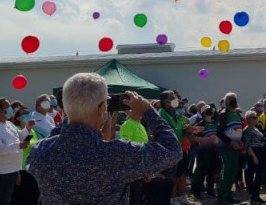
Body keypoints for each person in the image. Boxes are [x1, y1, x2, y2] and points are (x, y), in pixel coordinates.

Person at [28, 73, 183, 204]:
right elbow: (172, 151)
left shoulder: (40, 151)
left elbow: (55, 140)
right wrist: (149, 111)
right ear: (102, 108)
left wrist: (71, 113)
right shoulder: (116, 154)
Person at [0, 98, 34, 205]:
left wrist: (27, 128)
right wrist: (18, 145)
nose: (11, 109)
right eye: (8, 107)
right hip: (1, 173)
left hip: (11, 170)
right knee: (1, 201)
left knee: (8, 200)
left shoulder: (8, 124)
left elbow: (20, 136)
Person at [216, 92, 245, 205]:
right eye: (231, 99)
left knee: (233, 173)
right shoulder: (223, 114)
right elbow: (219, 132)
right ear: (226, 101)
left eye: (235, 99)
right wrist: (231, 142)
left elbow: (239, 129)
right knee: (226, 173)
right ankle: (221, 198)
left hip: (236, 149)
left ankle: (228, 195)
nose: (234, 101)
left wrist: (240, 142)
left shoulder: (237, 114)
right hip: (226, 148)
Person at [191, 107, 219, 201]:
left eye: (210, 112)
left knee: (212, 172)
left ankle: (210, 190)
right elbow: (194, 138)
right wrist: (205, 140)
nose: (209, 114)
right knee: (200, 172)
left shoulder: (215, 123)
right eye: (207, 113)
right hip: (203, 151)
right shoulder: (200, 124)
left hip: (214, 150)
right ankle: (196, 192)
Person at [243, 111, 266, 204]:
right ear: (248, 119)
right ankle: (253, 196)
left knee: (259, 176)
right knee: (252, 175)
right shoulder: (247, 130)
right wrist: (254, 156)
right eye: (254, 117)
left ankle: (256, 196)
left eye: (255, 117)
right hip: (254, 153)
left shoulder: (255, 129)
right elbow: (248, 145)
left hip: (261, 152)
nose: (256, 118)